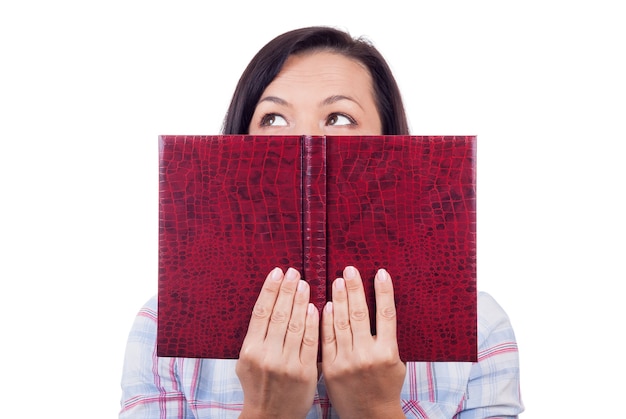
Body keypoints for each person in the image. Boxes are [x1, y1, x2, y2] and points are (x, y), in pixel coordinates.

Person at [119, 26, 524, 418]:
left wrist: (375, 411)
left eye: (339, 117)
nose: (306, 140)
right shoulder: (162, 330)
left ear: (390, 143)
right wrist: (266, 414)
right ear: (238, 144)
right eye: (273, 118)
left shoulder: (479, 329)